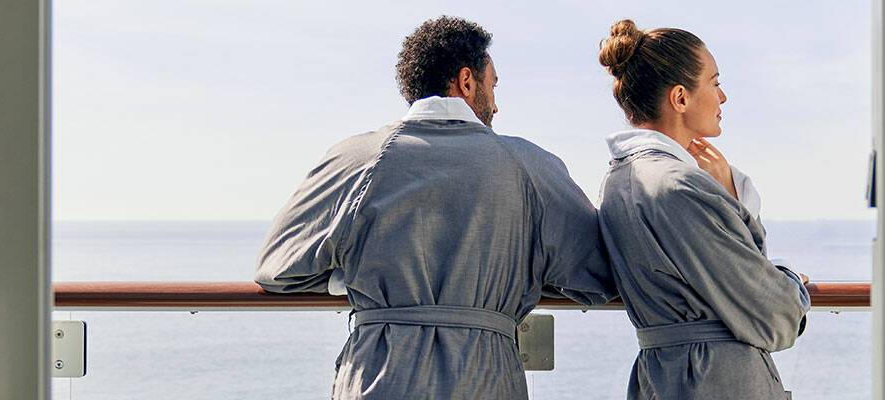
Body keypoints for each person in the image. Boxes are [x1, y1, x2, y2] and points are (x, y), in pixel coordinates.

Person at [254, 16, 616, 400]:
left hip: (378, 378)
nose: (496, 104)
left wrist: (360, 277)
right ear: (466, 81)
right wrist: (517, 274)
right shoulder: (530, 166)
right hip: (485, 379)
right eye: (492, 86)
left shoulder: (355, 159)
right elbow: (596, 278)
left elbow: (277, 268)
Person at [593, 19, 811, 400]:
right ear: (680, 98)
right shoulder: (681, 186)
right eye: (715, 82)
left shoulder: (616, 181)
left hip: (659, 378)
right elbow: (776, 314)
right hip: (718, 380)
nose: (723, 97)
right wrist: (792, 283)